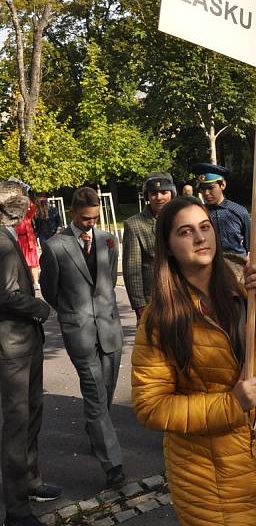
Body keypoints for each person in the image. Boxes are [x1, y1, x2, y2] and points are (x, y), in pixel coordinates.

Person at [131, 196, 256, 526]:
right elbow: (150, 406)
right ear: (168, 247)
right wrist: (231, 404)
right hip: (214, 491)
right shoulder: (161, 320)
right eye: (185, 232)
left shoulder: (244, 296)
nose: (200, 238)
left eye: (205, 227)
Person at [40, 186, 125, 488]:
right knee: (95, 394)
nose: (91, 223)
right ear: (74, 212)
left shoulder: (108, 240)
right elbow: (50, 289)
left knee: (107, 390)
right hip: (79, 332)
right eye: (86, 218)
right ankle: (113, 465)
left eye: (95, 218)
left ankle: (98, 434)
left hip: (111, 329)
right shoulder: (55, 246)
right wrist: (72, 313)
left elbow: (110, 278)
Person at [0, 180, 62, 526]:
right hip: (13, 348)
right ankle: (17, 508)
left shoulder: (7, 237)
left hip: (23, 344)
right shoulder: (2, 242)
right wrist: (39, 308)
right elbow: (6, 296)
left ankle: (32, 482)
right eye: (23, 202)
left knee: (31, 415)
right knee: (18, 424)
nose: (28, 207)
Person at [122, 172, 176, 322]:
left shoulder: (182, 218)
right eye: (153, 193)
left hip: (183, 297)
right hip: (153, 301)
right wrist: (140, 306)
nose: (159, 198)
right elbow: (132, 270)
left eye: (164, 192)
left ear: (172, 194)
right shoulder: (134, 225)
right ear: (147, 196)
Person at [192, 162, 250, 278]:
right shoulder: (200, 214)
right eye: (202, 189)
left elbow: (250, 247)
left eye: (210, 188)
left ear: (222, 185)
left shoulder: (239, 211)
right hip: (210, 271)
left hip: (239, 270)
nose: (206, 193)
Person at [15, 191, 40, 290]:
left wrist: (25, 196)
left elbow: (33, 207)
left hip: (29, 241)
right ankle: (24, 283)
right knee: (20, 263)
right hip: (18, 240)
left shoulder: (28, 215)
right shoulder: (14, 217)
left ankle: (36, 282)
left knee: (33, 263)